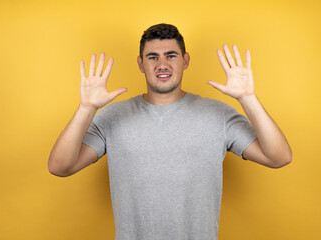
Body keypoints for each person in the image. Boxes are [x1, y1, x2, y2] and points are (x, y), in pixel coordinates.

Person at [48, 23, 292, 240]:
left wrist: (248, 98)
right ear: (140, 64)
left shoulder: (219, 115)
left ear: (185, 60)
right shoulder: (113, 117)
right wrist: (86, 108)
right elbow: (60, 167)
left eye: (171, 56)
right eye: (152, 57)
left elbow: (278, 157)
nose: (162, 65)